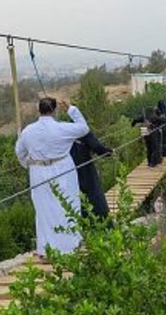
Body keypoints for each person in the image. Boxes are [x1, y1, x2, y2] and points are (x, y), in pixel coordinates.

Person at [16, 97, 89, 257]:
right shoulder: (62, 128)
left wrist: (28, 164)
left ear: (38, 110)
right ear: (54, 110)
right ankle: (71, 246)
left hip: (38, 172)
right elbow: (84, 128)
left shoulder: (28, 131)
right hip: (63, 169)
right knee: (67, 205)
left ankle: (46, 249)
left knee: (43, 210)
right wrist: (70, 109)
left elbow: (19, 152)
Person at [71, 129, 113, 220]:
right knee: (93, 193)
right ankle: (101, 220)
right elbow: (98, 148)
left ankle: (82, 221)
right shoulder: (82, 129)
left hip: (67, 169)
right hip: (85, 166)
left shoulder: (61, 130)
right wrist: (109, 151)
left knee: (75, 195)